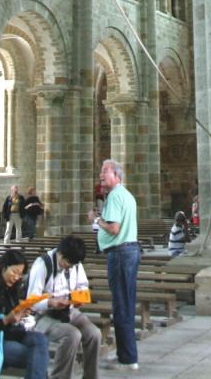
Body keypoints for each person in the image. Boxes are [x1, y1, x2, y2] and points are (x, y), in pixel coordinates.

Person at [88, 159, 139, 371]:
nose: (101, 175)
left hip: (120, 253)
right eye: (101, 171)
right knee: (124, 304)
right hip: (127, 252)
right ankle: (126, 355)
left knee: (121, 306)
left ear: (117, 175)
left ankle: (127, 359)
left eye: (105, 171)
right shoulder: (125, 194)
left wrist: (96, 220)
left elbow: (114, 228)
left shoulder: (116, 196)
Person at [26, 235, 101, 379]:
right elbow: (31, 300)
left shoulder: (75, 263)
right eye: (67, 263)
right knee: (72, 335)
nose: (69, 267)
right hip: (44, 316)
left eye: (73, 265)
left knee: (94, 334)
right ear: (60, 253)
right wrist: (51, 302)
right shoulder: (43, 264)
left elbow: (82, 286)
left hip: (69, 311)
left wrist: (80, 298)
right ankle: (60, 376)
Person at [0, 248, 49, 379]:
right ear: (3, 267)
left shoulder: (11, 287)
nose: (17, 277)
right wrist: (6, 320)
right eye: (14, 272)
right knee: (38, 358)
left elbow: (10, 313)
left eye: (20, 274)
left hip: (11, 333)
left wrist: (21, 311)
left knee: (40, 340)